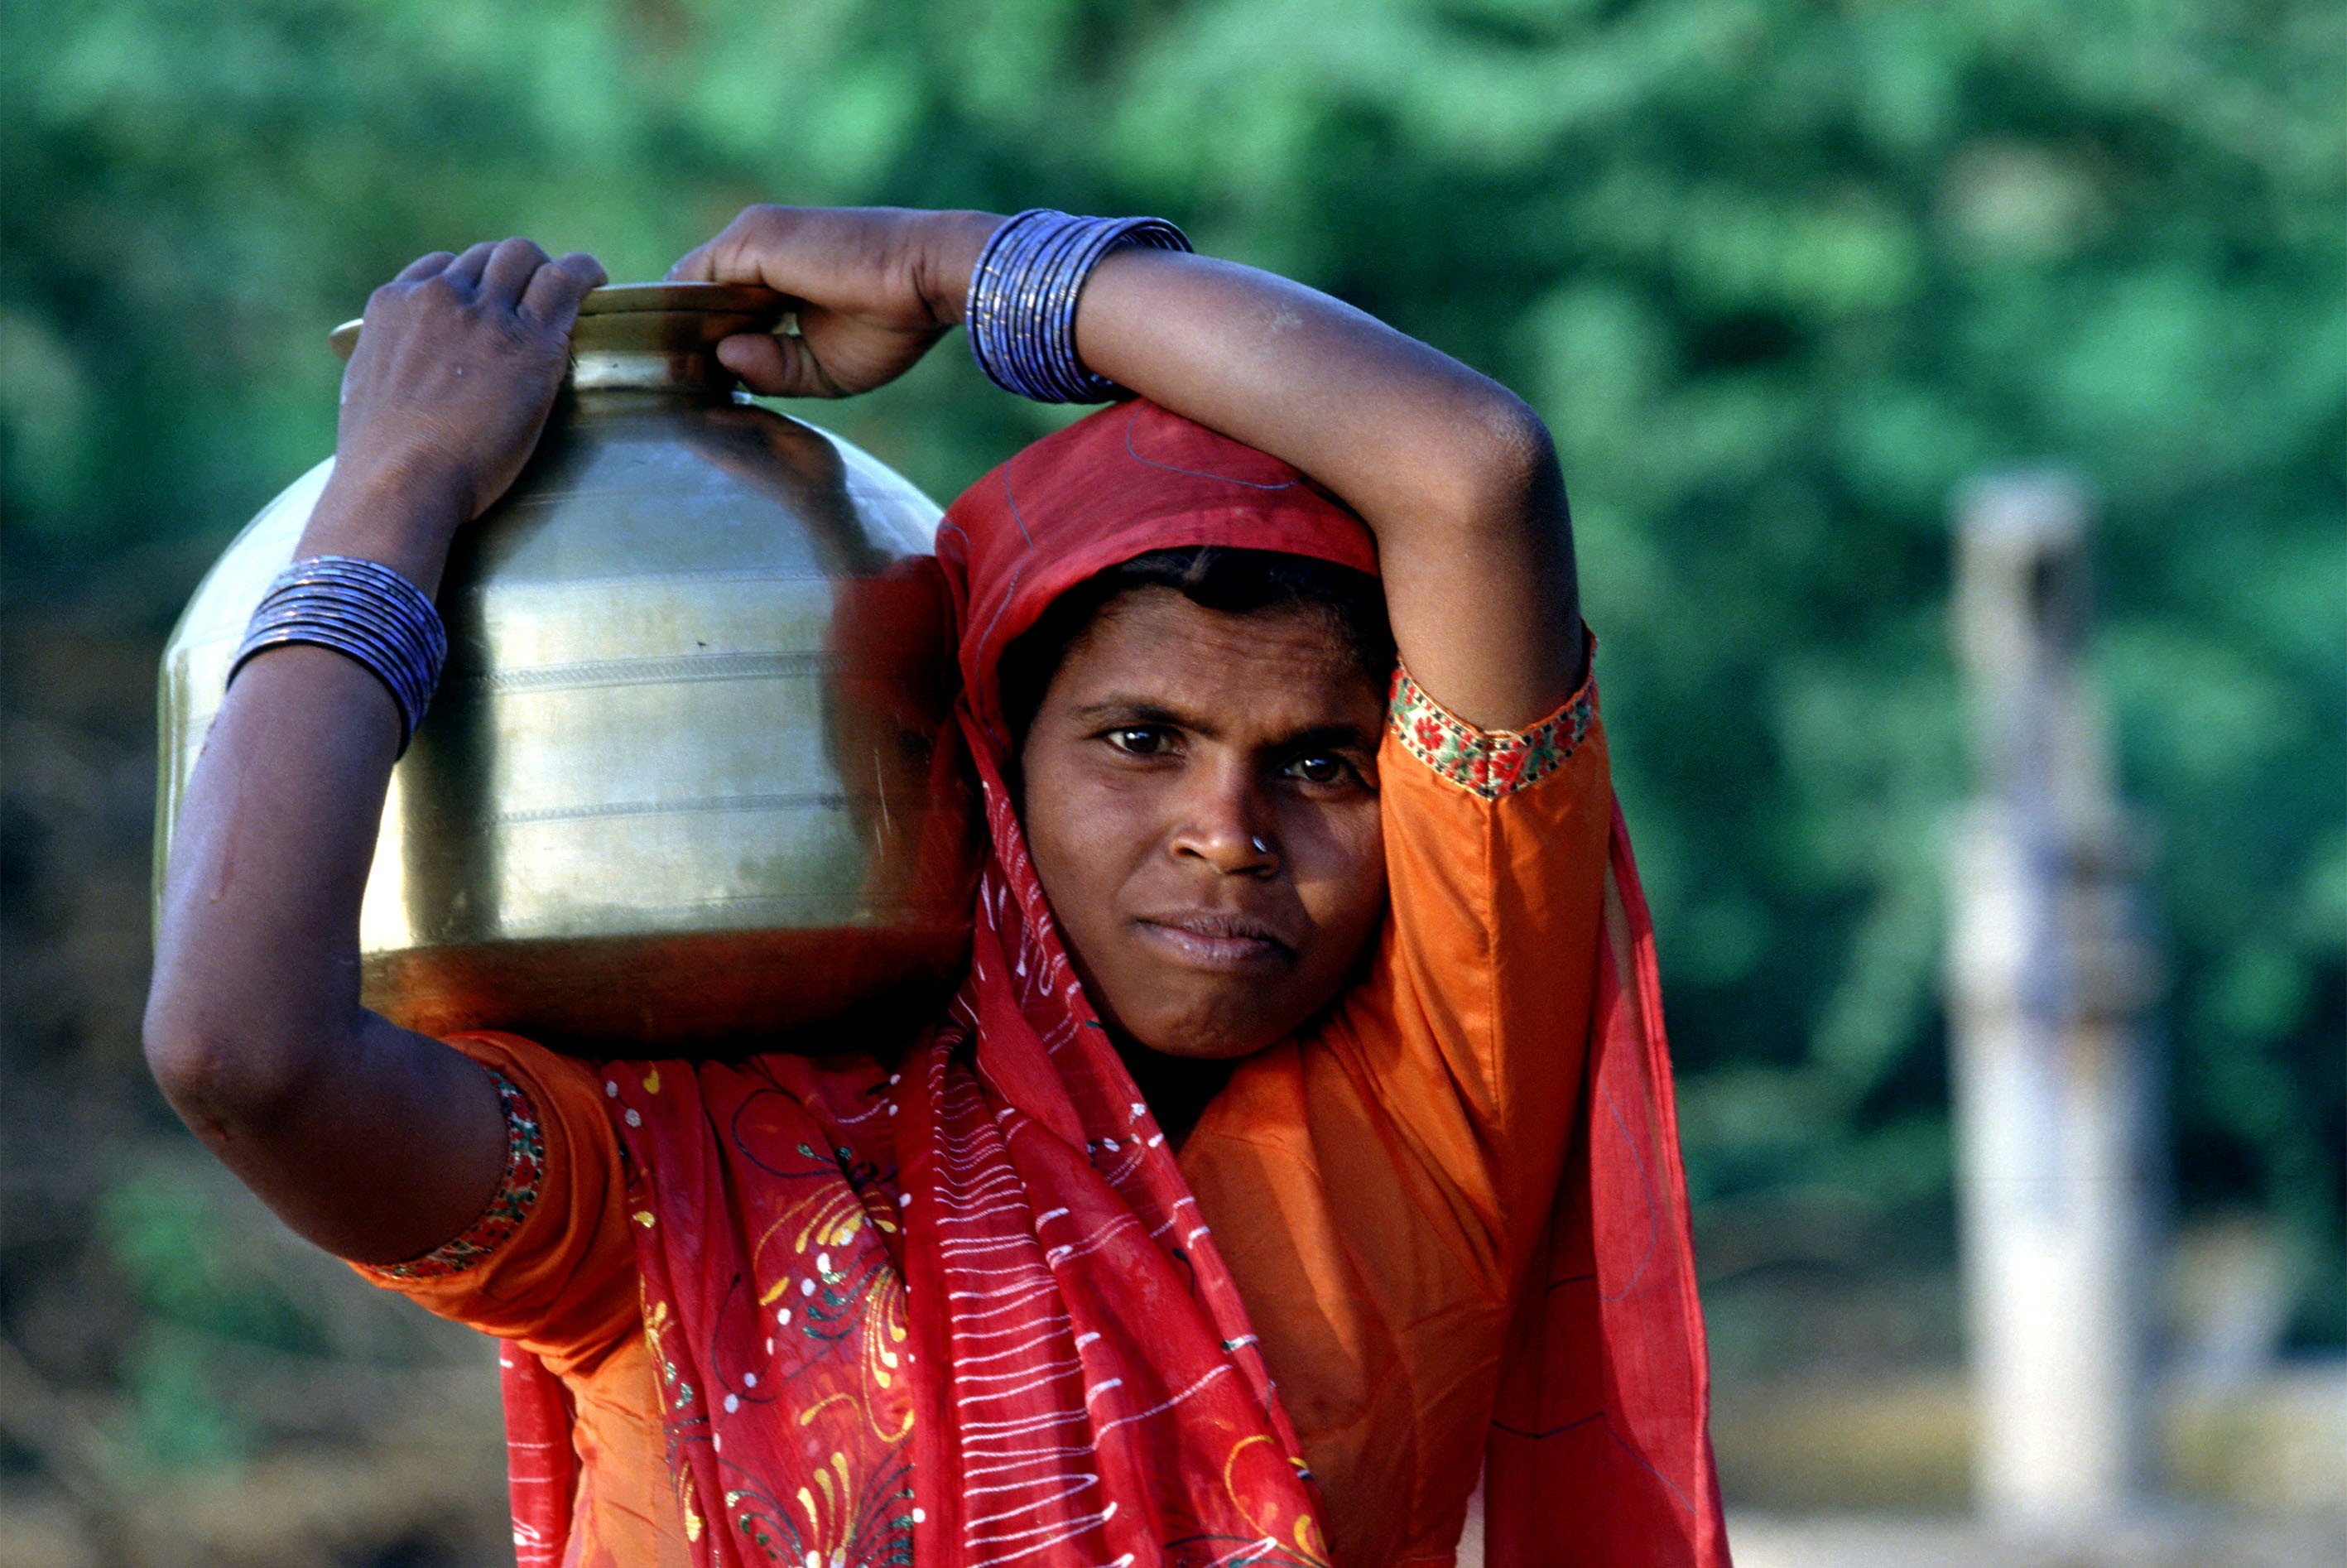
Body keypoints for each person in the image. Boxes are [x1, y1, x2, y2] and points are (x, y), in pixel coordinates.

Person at [145, 207, 1725, 1568]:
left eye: (1320, 764)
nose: (1226, 829)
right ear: (987, 765)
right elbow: (240, 1052)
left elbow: (1472, 468)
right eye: (1140, 738)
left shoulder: (1427, 1098)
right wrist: (396, 492)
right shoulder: (675, 1188)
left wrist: (949, 263)